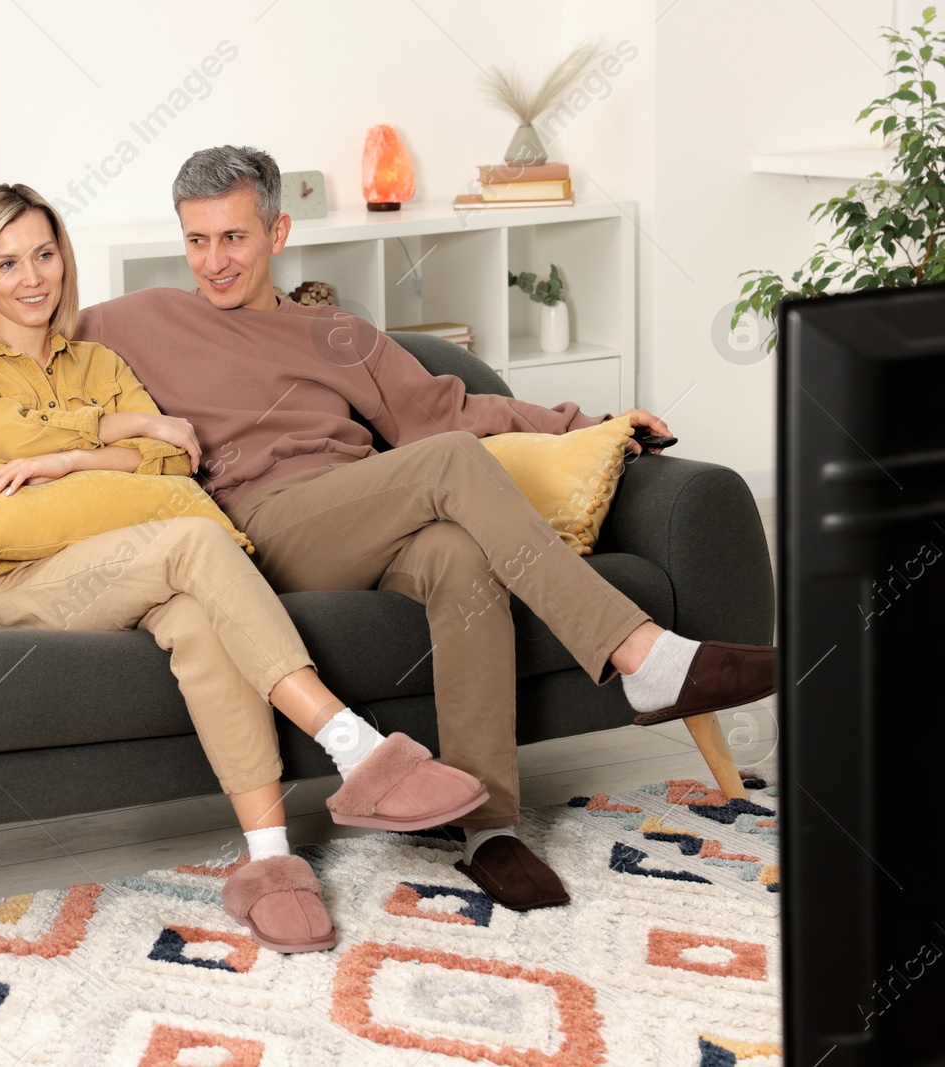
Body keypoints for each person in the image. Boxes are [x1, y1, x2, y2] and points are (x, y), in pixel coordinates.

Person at [74, 145, 777, 912]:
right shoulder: (139, 320)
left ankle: (489, 828)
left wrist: (590, 426)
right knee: (446, 467)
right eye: (197, 240)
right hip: (265, 528)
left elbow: (452, 411)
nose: (214, 261)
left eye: (234, 238)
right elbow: (10, 342)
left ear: (277, 234)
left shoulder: (339, 332)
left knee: (459, 556)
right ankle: (638, 651)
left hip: (365, 506)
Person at [0, 183, 493, 954]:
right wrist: (113, 432)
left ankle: (270, 862)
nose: (32, 279)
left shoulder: (98, 358)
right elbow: (9, 434)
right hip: (21, 580)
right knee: (199, 540)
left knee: (196, 614)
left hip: (131, 561)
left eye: (45, 254)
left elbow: (172, 459)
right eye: (8, 263)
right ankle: (357, 748)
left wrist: (87, 450)